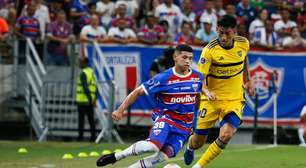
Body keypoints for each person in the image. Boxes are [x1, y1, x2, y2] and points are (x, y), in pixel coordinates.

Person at [96, 44, 203, 167]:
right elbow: (137, 91)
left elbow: (197, 97)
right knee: (153, 146)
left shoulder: (197, 77)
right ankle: (118, 156)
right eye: (184, 57)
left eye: (190, 58)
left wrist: (194, 121)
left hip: (184, 128)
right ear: (175, 57)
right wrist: (120, 110)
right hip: (167, 119)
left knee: (162, 156)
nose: (188, 61)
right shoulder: (163, 78)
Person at [183, 15, 255, 168]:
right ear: (217, 30)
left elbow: (244, 59)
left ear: (234, 32)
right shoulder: (209, 50)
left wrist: (248, 80)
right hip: (210, 99)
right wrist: (206, 90)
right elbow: (200, 78)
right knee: (197, 142)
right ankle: (189, 147)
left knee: (226, 134)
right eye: (220, 33)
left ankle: (198, 166)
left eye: (227, 33)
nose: (223, 37)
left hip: (234, 99)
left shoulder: (243, 44)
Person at [76, 58, 97, 142]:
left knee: (81, 120)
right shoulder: (91, 72)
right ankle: (93, 137)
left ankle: (80, 137)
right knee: (91, 119)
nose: (79, 64)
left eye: (81, 62)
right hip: (90, 100)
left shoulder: (83, 73)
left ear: (85, 63)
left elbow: (85, 87)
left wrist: (89, 99)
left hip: (82, 101)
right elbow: (95, 86)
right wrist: (94, 99)